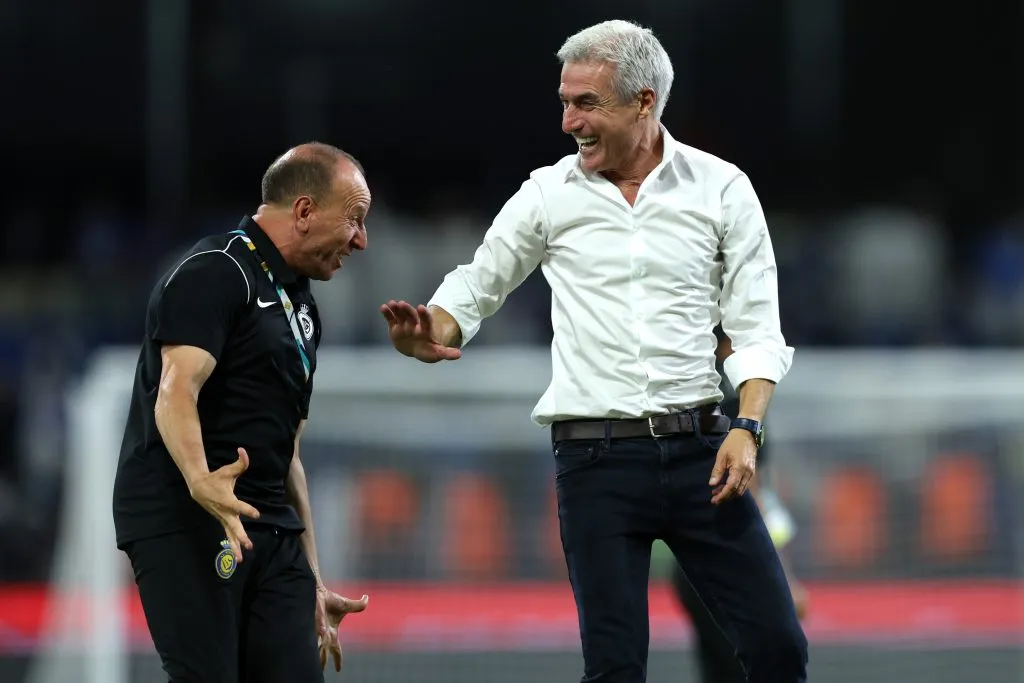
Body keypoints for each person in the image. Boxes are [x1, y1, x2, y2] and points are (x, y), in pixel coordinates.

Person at [380, 19, 808, 683]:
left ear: (644, 101)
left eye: (586, 103)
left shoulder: (723, 188)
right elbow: (474, 286)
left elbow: (756, 328)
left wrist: (748, 426)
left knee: (781, 649)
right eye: (564, 101)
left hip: (705, 454)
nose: (567, 121)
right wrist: (430, 329)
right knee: (613, 670)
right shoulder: (548, 194)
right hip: (595, 463)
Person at [112, 142, 370, 683]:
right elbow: (176, 392)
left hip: (269, 525)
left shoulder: (299, 306)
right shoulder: (214, 270)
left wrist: (315, 580)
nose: (361, 240)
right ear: (303, 211)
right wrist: (201, 482)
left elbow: (288, 453)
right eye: (354, 220)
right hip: (188, 517)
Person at [670, 330, 808, 683]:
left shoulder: (687, 389)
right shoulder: (739, 402)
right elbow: (755, 490)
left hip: (688, 562)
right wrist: (786, 577)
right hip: (730, 555)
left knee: (716, 667)